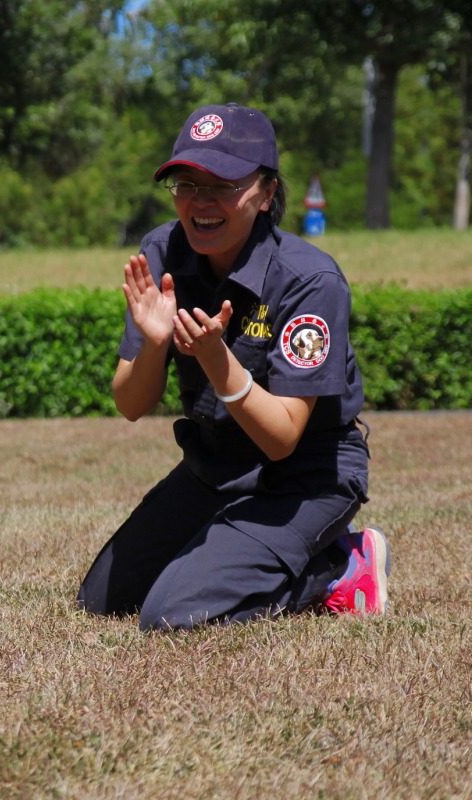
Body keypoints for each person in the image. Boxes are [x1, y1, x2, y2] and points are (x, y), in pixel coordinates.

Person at [76, 103, 389, 631]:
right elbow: (130, 405)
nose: (200, 201)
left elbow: (283, 438)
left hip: (303, 478)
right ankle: (235, 548)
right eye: (186, 183)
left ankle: (340, 568)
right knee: (103, 600)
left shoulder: (310, 282)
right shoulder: (163, 251)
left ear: (267, 193)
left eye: (222, 184)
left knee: (170, 616)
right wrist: (154, 344)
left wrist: (218, 361)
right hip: (214, 468)